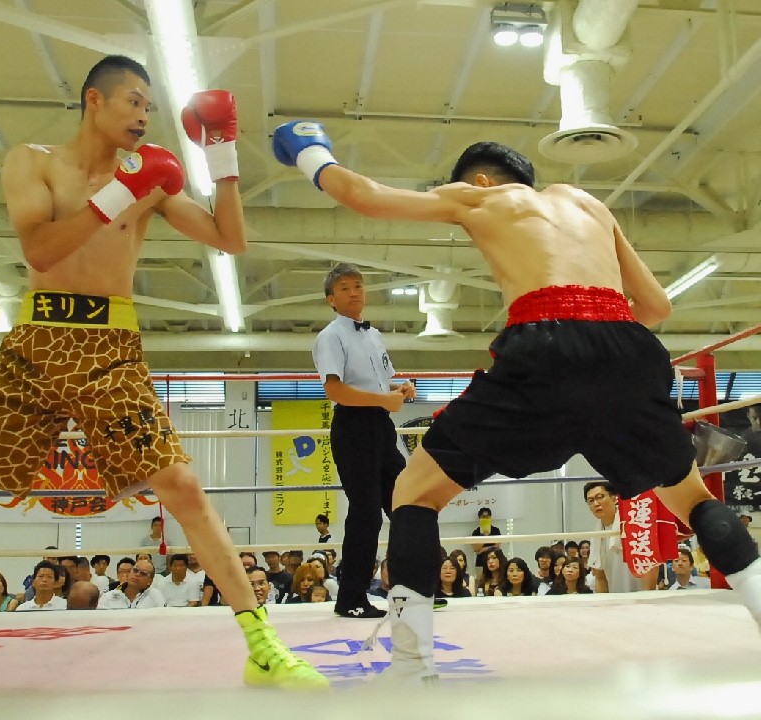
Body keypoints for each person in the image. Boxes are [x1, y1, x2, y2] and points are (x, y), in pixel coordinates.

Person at [0, 56, 325, 696]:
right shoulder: (33, 161)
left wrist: (221, 157)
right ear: (94, 101)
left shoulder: (153, 176)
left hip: (111, 347)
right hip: (36, 343)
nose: (142, 116)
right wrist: (122, 194)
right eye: (133, 101)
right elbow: (41, 249)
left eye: (149, 107)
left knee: (182, 488)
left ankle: (263, 644)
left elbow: (231, 239)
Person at [272, 127, 761, 681]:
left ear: (480, 180)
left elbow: (360, 194)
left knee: (413, 492)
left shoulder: (483, 195)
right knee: (689, 496)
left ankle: (410, 666)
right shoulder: (590, 205)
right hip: (629, 348)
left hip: (542, 346)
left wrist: (307, 146)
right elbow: (656, 306)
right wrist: (597, 350)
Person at [313, 262, 416, 619]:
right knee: (366, 515)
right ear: (331, 299)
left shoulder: (373, 335)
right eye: (344, 287)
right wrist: (383, 399)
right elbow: (335, 389)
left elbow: (379, 383)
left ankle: (413, 590)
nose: (354, 291)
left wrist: (399, 388)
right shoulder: (330, 336)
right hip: (354, 428)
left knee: (405, 505)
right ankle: (351, 598)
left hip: (381, 428)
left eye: (358, 285)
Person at [584, 481, 657, 593]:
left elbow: (650, 565)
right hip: (616, 600)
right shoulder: (596, 535)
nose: (596, 503)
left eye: (600, 497)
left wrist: (647, 596)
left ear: (614, 498)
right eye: (591, 501)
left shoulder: (634, 524)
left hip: (642, 597)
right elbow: (600, 577)